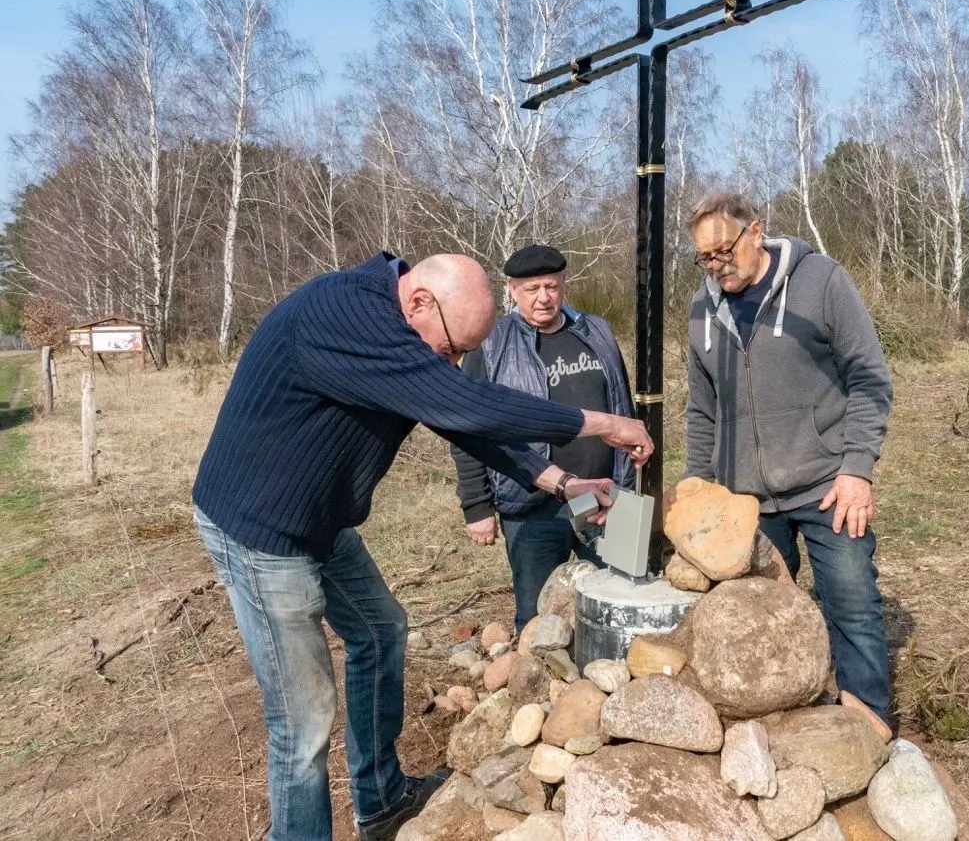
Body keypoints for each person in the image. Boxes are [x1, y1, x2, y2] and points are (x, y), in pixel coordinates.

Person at [191, 252, 652, 841]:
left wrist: (561, 482)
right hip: (259, 529)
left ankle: (381, 802)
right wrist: (603, 423)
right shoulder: (344, 315)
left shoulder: (397, 326)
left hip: (320, 521)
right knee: (302, 719)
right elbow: (470, 404)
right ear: (418, 303)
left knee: (381, 631)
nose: (454, 363)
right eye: (451, 350)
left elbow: (464, 422)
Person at [682, 191, 894, 724]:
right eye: (704, 257)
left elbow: (869, 379)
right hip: (745, 500)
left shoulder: (821, 282)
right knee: (758, 622)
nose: (715, 265)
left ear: (756, 231)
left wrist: (856, 469)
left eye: (723, 250)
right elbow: (702, 411)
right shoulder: (702, 310)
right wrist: (697, 490)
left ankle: (868, 731)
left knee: (852, 607)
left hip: (828, 487)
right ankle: (778, 730)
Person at [451, 245, 635, 634]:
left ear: (563, 284)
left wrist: (629, 485)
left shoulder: (596, 331)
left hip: (606, 496)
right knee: (538, 617)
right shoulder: (491, 343)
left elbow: (622, 407)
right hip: (534, 503)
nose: (544, 297)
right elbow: (466, 428)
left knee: (617, 604)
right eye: (532, 288)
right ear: (512, 290)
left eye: (551, 286)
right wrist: (477, 505)